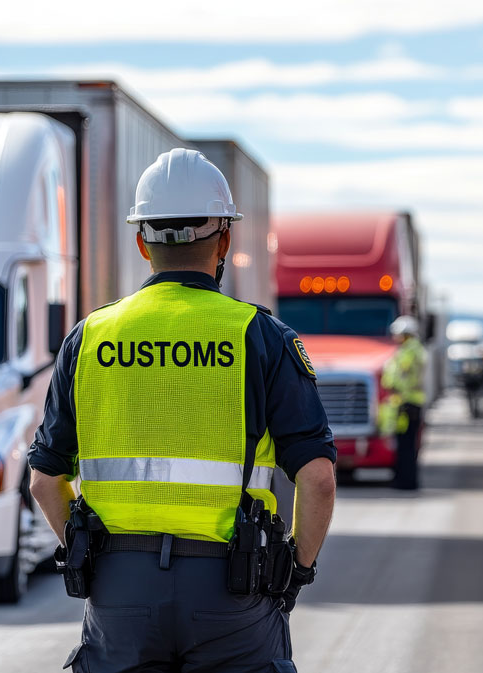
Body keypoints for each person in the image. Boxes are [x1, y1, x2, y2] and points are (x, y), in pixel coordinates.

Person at [27, 148, 337, 673]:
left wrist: (90, 554)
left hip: (119, 592)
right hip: (233, 592)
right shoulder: (260, 336)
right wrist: (296, 574)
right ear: (226, 239)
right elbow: (318, 479)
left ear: (142, 242)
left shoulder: (91, 337)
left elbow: (44, 479)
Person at [383, 315, 427, 489]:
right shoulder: (414, 349)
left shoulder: (409, 351)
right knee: (407, 444)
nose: (394, 337)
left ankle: (405, 481)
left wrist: (391, 384)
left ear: (405, 334)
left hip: (406, 403)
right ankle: (407, 480)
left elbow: (401, 376)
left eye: (397, 334)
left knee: (405, 445)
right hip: (410, 403)